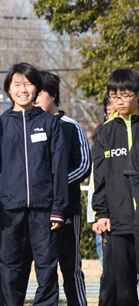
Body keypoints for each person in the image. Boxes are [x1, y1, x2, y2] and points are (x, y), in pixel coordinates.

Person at [0, 63, 68, 306]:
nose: (23, 89)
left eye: (29, 84)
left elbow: (59, 169)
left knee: (47, 269)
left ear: (37, 88)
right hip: (9, 212)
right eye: (17, 84)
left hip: (44, 211)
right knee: (10, 271)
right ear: (9, 89)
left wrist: (58, 209)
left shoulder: (50, 124)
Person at [23, 71, 90, 306]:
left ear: (53, 95)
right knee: (42, 268)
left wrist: (54, 185)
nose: (34, 96)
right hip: (35, 211)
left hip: (67, 209)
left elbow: (83, 167)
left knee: (70, 265)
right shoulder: (28, 126)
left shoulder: (71, 127)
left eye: (39, 92)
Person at [92, 69, 139, 306]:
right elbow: (99, 178)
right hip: (119, 222)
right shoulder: (106, 133)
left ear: (138, 95)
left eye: (125, 95)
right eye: (114, 96)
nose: (119, 102)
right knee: (124, 287)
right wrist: (102, 213)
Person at [88, 97, 116, 306]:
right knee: (109, 273)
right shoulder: (102, 138)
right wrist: (96, 215)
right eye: (109, 110)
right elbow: (95, 184)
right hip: (108, 219)